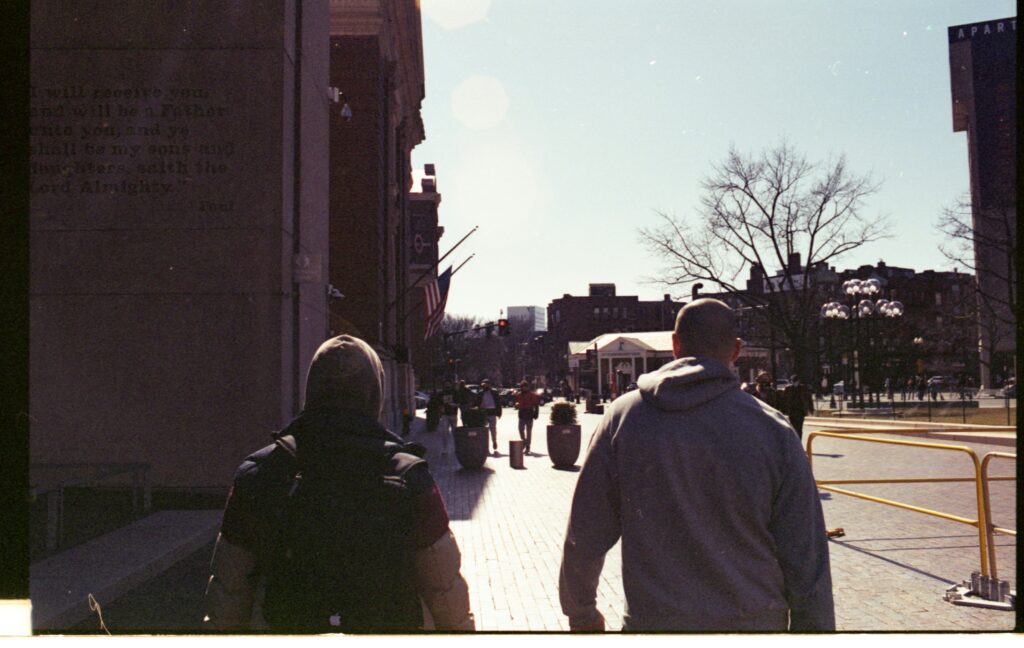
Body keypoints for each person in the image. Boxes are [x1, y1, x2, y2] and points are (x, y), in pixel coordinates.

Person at [559, 299, 834, 632]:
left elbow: (586, 529)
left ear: (675, 344)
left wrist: (581, 608)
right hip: (755, 621)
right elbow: (806, 553)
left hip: (655, 622)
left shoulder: (623, 417)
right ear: (736, 351)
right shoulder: (773, 429)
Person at [204, 335, 474, 633]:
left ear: (313, 390)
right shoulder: (409, 477)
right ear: (375, 393)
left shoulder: (260, 473)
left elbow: (228, 592)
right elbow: (445, 592)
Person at [783, 374, 814, 440]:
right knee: (793, 427)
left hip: (800, 411)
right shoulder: (788, 389)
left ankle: (799, 441)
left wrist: (810, 409)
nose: (794, 383)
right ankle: (794, 441)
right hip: (792, 411)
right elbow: (784, 400)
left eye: (796, 381)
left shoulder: (803, 388)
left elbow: (808, 399)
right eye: (793, 381)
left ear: (799, 381)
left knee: (799, 428)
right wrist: (784, 410)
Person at [514, 380, 541, 454]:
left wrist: (536, 413)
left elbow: (536, 405)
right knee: (520, 429)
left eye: (525, 387)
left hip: (529, 414)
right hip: (522, 414)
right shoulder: (519, 395)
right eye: (522, 387)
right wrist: (516, 406)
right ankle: (524, 442)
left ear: (527, 387)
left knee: (529, 431)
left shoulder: (532, 395)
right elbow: (516, 404)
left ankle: (528, 446)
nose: (524, 388)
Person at [477, 379, 502, 454]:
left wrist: (499, 413)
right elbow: (477, 402)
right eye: (483, 385)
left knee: (493, 429)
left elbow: (498, 403)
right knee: (485, 431)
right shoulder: (481, 393)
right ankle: (486, 447)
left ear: (489, 385)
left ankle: (494, 441)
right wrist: (479, 407)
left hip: (492, 411)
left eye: (486, 384)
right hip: (484, 412)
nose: (485, 386)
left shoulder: (494, 392)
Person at [437, 381, 460, 454]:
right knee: (444, 432)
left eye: (448, 384)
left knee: (454, 432)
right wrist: (441, 408)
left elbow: (458, 403)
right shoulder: (441, 393)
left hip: (453, 414)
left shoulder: (455, 393)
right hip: (445, 415)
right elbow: (439, 403)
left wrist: (454, 405)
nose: (447, 386)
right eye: (446, 384)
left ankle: (456, 447)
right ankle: (445, 448)